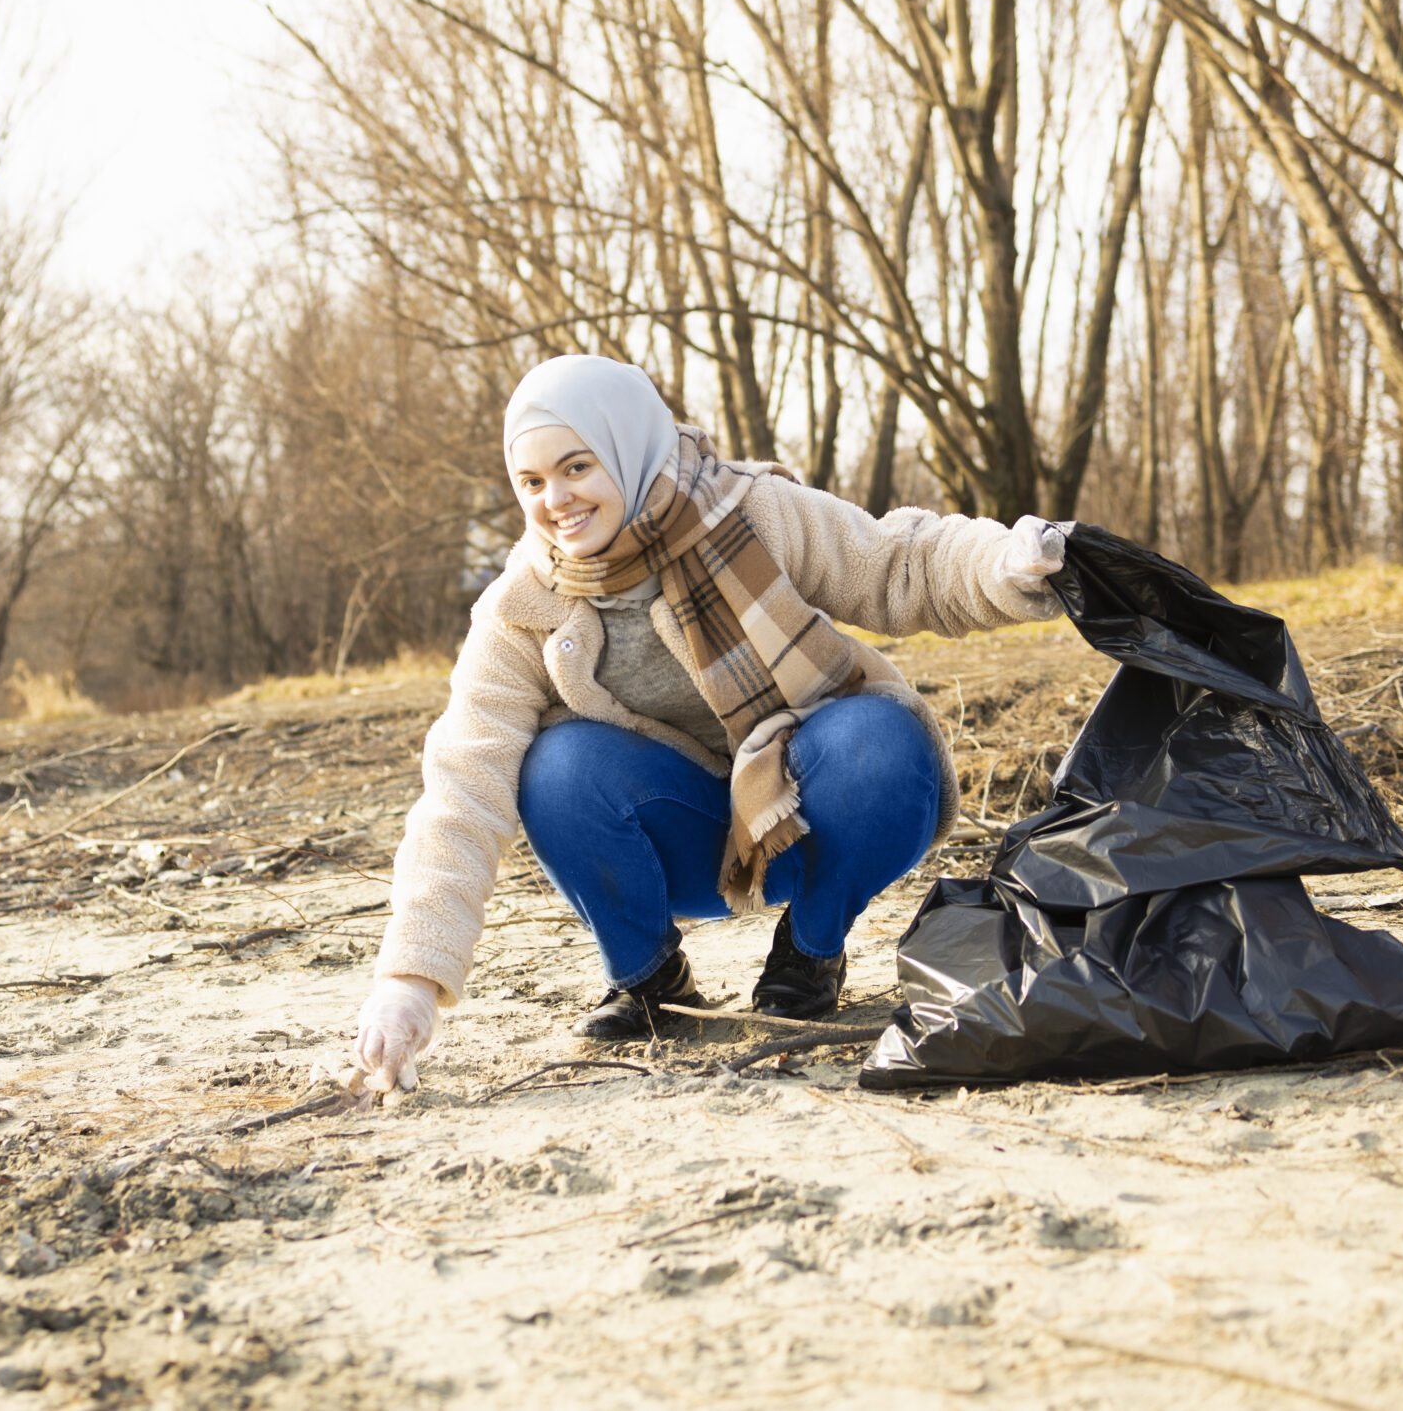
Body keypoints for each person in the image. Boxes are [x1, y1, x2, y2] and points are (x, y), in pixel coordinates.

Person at [349, 355, 1065, 1091]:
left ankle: (810, 951)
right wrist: (410, 976)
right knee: (555, 764)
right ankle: (649, 979)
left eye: (576, 467)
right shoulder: (522, 606)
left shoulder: (746, 513)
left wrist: (1004, 561)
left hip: (816, 814)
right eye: (531, 481)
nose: (555, 500)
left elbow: (892, 561)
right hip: (678, 842)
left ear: (628, 445)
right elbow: (463, 784)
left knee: (879, 739)